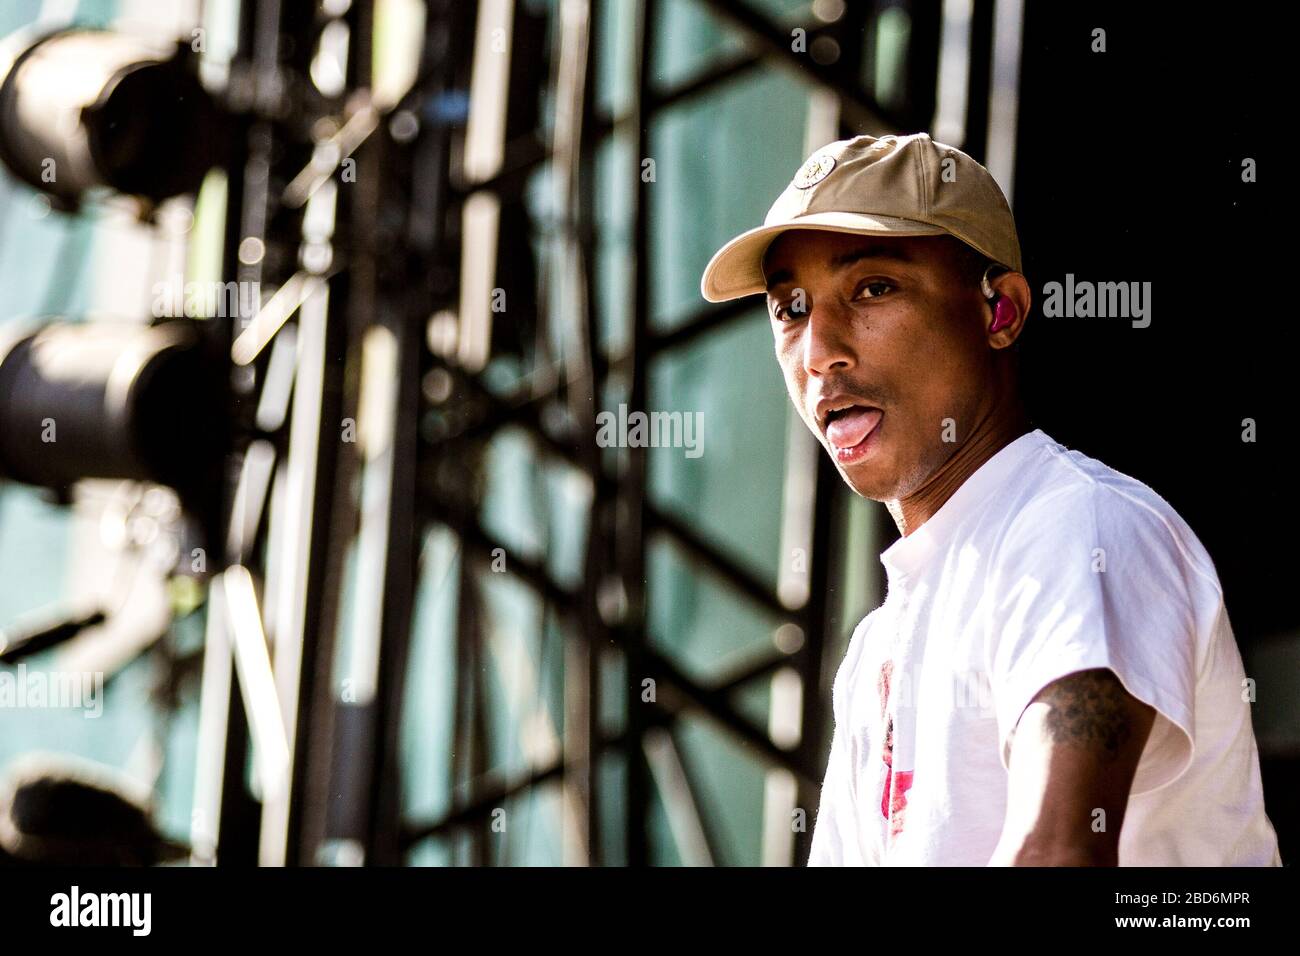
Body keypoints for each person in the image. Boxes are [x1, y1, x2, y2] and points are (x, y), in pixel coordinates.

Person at [699, 132, 1281, 866]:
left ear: (999, 312)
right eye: (790, 307)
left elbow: (1056, 853)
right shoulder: (878, 647)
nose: (820, 350)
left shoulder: (1077, 528)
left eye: (874, 288)